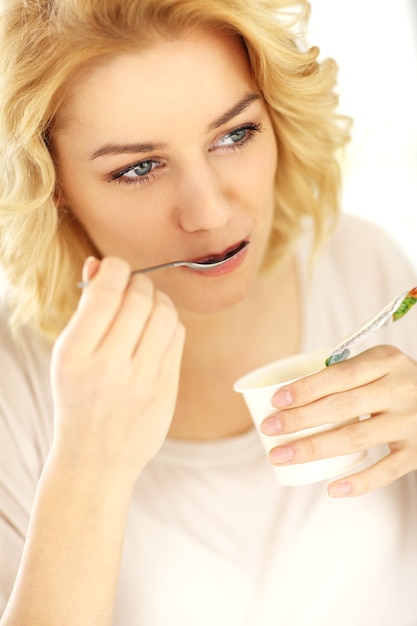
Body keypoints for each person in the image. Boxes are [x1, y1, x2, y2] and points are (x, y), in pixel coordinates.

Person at [0, 0, 416, 623]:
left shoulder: (363, 266)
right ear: (52, 187)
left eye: (235, 134)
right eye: (138, 168)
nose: (210, 213)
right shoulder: (15, 383)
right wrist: (88, 470)